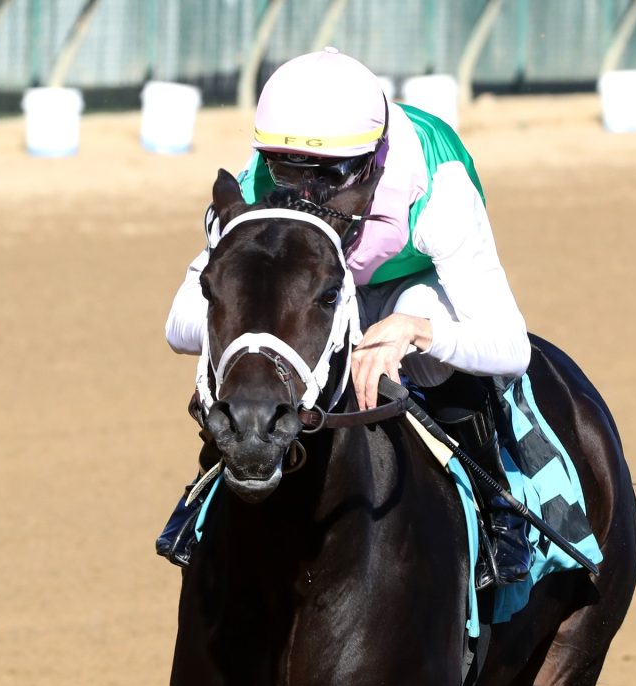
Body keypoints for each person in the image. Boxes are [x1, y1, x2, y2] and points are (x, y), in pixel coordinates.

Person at [157, 48, 533, 589]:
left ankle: (499, 508)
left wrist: (420, 333)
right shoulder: (260, 180)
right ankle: (209, 485)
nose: (304, 195)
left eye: (331, 176)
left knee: (424, 335)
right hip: (316, 293)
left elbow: (509, 345)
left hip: (409, 289)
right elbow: (179, 325)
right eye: (287, 170)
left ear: (374, 159)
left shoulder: (438, 185)